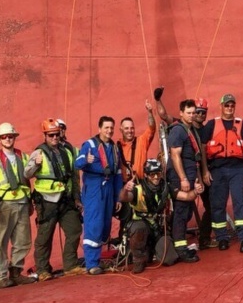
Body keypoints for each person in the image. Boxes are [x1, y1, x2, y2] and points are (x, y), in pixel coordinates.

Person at [25, 119, 82, 281]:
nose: (55, 137)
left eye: (56, 134)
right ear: (45, 135)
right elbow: (27, 174)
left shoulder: (68, 151)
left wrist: (76, 198)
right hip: (46, 201)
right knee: (45, 236)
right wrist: (35, 164)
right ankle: (43, 270)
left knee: (74, 229)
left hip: (66, 199)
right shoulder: (39, 153)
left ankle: (70, 265)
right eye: (51, 135)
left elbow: (74, 177)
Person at [204, 94, 243, 252]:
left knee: (239, 202)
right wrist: (205, 170)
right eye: (226, 105)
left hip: (237, 170)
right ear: (221, 106)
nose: (229, 108)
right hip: (217, 170)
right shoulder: (211, 125)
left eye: (232, 105)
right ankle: (221, 237)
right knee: (218, 204)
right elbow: (202, 148)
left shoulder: (242, 125)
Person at [0, 123, 35, 289]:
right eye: (4, 137)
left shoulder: (23, 156)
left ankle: (16, 273)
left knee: (23, 240)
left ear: (14, 137)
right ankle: (0, 277)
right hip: (4, 205)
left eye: (10, 136)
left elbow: (27, 179)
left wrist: (30, 201)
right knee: (0, 242)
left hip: (22, 202)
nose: (7, 139)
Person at [74, 116, 125, 275]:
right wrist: (86, 159)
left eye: (111, 128)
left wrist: (118, 197)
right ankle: (92, 264)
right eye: (106, 128)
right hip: (94, 190)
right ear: (99, 129)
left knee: (105, 226)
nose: (109, 131)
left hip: (109, 188)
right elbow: (77, 163)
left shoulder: (114, 148)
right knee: (94, 224)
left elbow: (117, 174)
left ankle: (97, 258)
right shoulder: (89, 145)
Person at [118, 159, 182, 273]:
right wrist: (125, 190)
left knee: (170, 259)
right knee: (138, 228)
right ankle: (138, 260)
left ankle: (153, 250)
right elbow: (124, 198)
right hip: (142, 226)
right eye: (152, 174)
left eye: (158, 173)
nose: (156, 177)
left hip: (158, 228)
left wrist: (196, 191)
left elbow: (185, 196)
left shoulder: (165, 187)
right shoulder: (138, 190)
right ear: (146, 175)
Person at [166, 99, 208, 262]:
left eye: (193, 113)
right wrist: (183, 179)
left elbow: (195, 158)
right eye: (188, 113)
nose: (192, 115)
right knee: (181, 213)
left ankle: (180, 245)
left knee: (187, 212)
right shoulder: (178, 130)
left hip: (190, 177)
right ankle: (180, 248)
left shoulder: (191, 130)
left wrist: (198, 179)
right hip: (180, 179)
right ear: (181, 113)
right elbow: (175, 155)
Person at [191, 98, 215, 248]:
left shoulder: (207, 130)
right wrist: (158, 100)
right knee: (183, 209)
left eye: (203, 112)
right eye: (198, 112)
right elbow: (164, 115)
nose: (200, 115)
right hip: (189, 174)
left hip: (204, 174)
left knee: (211, 206)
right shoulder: (185, 128)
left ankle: (204, 238)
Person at [117, 100, 157, 181]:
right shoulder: (117, 146)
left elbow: (152, 128)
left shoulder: (142, 141)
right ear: (121, 130)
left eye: (132, 128)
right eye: (126, 128)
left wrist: (150, 112)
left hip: (141, 183)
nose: (129, 131)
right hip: (124, 185)